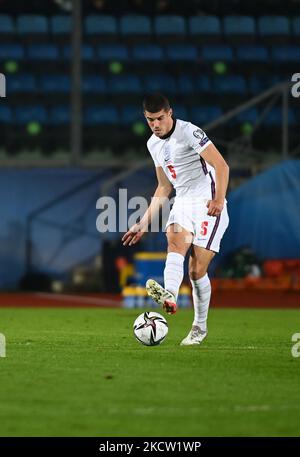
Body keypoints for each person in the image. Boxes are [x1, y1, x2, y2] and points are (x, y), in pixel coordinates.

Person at [122, 93, 229, 345]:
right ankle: (169, 294)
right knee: (174, 239)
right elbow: (163, 187)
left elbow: (222, 166)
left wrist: (219, 200)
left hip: (207, 201)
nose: (155, 124)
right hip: (183, 199)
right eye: (150, 120)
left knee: (196, 270)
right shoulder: (153, 145)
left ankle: (199, 328)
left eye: (159, 118)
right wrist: (143, 223)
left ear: (170, 113)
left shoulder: (189, 132)